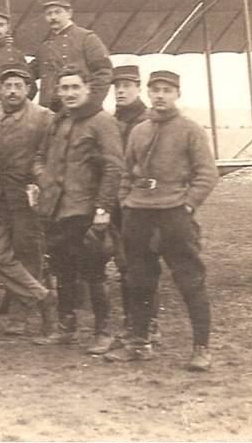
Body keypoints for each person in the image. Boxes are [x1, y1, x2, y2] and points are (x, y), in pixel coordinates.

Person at [106, 70, 219, 371]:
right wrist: (126, 202)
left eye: (167, 90)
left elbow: (207, 174)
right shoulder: (140, 131)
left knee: (190, 280)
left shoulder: (190, 130)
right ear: (149, 92)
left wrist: (188, 206)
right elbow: (127, 172)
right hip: (139, 213)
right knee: (139, 279)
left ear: (177, 94)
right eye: (155, 90)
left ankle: (201, 348)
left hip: (174, 214)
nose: (160, 96)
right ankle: (140, 344)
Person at [32, 65, 124, 353]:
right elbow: (39, 157)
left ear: (87, 89)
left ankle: (104, 332)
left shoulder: (101, 122)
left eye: (75, 88)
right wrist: (43, 179)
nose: (70, 93)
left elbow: (113, 167)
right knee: (63, 270)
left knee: (94, 272)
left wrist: (102, 209)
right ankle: (66, 328)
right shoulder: (59, 120)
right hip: (56, 210)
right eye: (64, 88)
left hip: (86, 210)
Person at [0, 62, 59, 340]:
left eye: (18, 86)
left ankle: (19, 316)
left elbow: (49, 155)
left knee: (28, 255)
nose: (12, 91)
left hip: (25, 199)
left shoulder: (44, 117)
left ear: (28, 90)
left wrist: (40, 181)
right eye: (7, 86)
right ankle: (45, 297)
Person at [110, 63, 160, 344]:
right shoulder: (112, 121)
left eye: (127, 85)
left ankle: (150, 322)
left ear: (138, 88)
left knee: (144, 263)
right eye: (116, 86)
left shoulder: (148, 121)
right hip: (119, 203)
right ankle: (132, 321)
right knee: (124, 263)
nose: (120, 90)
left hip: (144, 204)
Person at [32, 0, 113, 112]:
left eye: (57, 12)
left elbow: (104, 72)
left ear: (69, 13)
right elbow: (28, 75)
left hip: (80, 111)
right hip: (49, 114)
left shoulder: (87, 38)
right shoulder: (44, 47)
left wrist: (90, 104)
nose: (53, 17)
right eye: (49, 14)